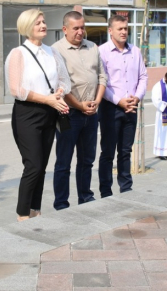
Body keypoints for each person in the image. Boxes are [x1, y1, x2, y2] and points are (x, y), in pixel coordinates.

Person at [5, 9, 71, 221]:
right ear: (27, 27)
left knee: (41, 165)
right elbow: (17, 90)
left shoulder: (52, 52)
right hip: (27, 114)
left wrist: (59, 93)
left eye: (43, 22)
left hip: (50, 113)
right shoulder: (18, 53)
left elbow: (63, 80)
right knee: (32, 164)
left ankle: (35, 210)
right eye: (37, 23)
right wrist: (48, 99)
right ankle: (22, 214)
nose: (43, 26)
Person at [51, 11, 107, 210]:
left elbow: (102, 77)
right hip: (69, 114)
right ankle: (61, 204)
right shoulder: (55, 51)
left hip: (91, 113)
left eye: (82, 27)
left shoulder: (93, 47)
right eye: (76, 28)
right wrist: (79, 105)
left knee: (87, 160)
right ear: (65, 29)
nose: (80, 32)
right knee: (64, 162)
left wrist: (96, 102)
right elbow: (60, 85)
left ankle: (85, 197)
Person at [98, 15, 147, 197]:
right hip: (111, 108)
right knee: (108, 152)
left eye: (126, 28)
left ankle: (126, 188)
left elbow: (143, 76)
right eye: (120, 29)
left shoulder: (135, 51)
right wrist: (118, 100)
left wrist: (138, 97)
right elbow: (101, 82)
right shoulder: (102, 52)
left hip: (131, 107)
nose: (124, 32)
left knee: (126, 151)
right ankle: (105, 191)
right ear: (110, 31)